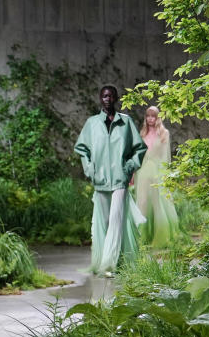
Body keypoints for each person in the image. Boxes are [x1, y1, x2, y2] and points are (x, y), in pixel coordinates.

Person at [74, 85, 146, 275]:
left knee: (115, 221)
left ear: (116, 98)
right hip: (100, 180)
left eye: (111, 95)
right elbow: (82, 149)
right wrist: (90, 169)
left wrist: (129, 167)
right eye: (105, 95)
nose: (108, 98)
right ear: (100, 98)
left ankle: (109, 266)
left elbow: (140, 148)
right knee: (103, 223)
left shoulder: (126, 122)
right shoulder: (92, 123)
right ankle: (111, 261)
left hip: (120, 180)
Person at [133, 106, 179, 247]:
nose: (150, 119)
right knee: (142, 203)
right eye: (148, 116)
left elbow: (165, 157)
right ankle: (142, 236)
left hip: (158, 173)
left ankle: (162, 236)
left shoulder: (164, 133)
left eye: (153, 116)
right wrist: (134, 173)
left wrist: (164, 176)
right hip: (143, 172)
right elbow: (138, 155)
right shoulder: (142, 133)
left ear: (158, 117)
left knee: (159, 203)